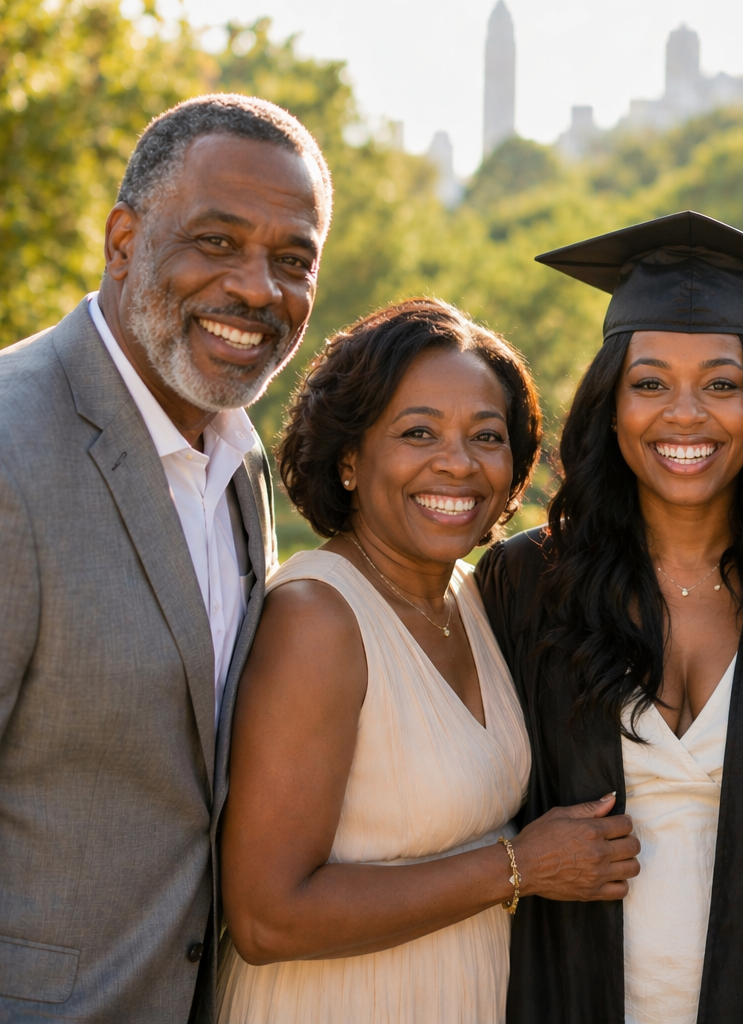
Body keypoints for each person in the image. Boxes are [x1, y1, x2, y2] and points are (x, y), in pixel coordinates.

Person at [0, 95, 330, 1022]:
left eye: (292, 259)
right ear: (124, 239)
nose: (259, 289)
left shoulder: (240, 459)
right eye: (216, 242)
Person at [215, 299, 640, 1022]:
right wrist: (520, 868)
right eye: (419, 432)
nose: (458, 463)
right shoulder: (318, 621)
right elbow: (266, 918)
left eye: (487, 436)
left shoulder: (474, 598)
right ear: (350, 459)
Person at [476, 211, 743, 1024]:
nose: (686, 415)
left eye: (721, 384)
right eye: (650, 384)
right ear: (611, 407)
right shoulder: (530, 584)